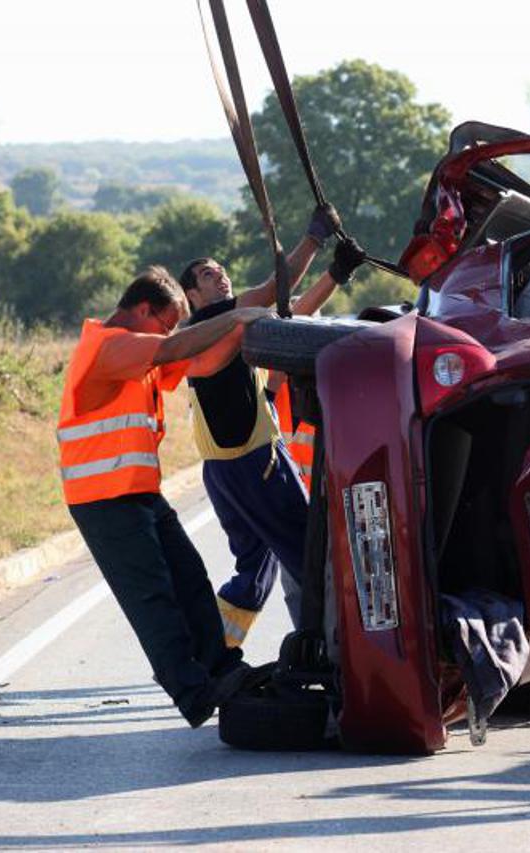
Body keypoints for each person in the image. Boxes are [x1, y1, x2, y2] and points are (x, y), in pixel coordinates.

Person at [57, 266, 273, 727]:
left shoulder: (140, 354)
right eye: (167, 321)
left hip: (138, 493)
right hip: (103, 500)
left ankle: (222, 669)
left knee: (191, 578)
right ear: (141, 309)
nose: (171, 331)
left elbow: (204, 361)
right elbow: (177, 347)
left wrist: (251, 325)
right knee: (153, 599)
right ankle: (193, 694)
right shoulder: (109, 347)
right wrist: (238, 316)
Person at [178, 212, 365, 648]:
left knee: (255, 569)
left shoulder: (208, 332)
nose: (220, 278)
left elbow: (290, 317)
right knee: (308, 555)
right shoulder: (216, 319)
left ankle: (212, 652)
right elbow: (273, 292)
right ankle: (339, 650)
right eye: (209, 275)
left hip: (224, 473)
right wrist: (315, 237)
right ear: (192, 294)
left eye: (222, 272)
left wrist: (335, 275)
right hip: (254, 464)